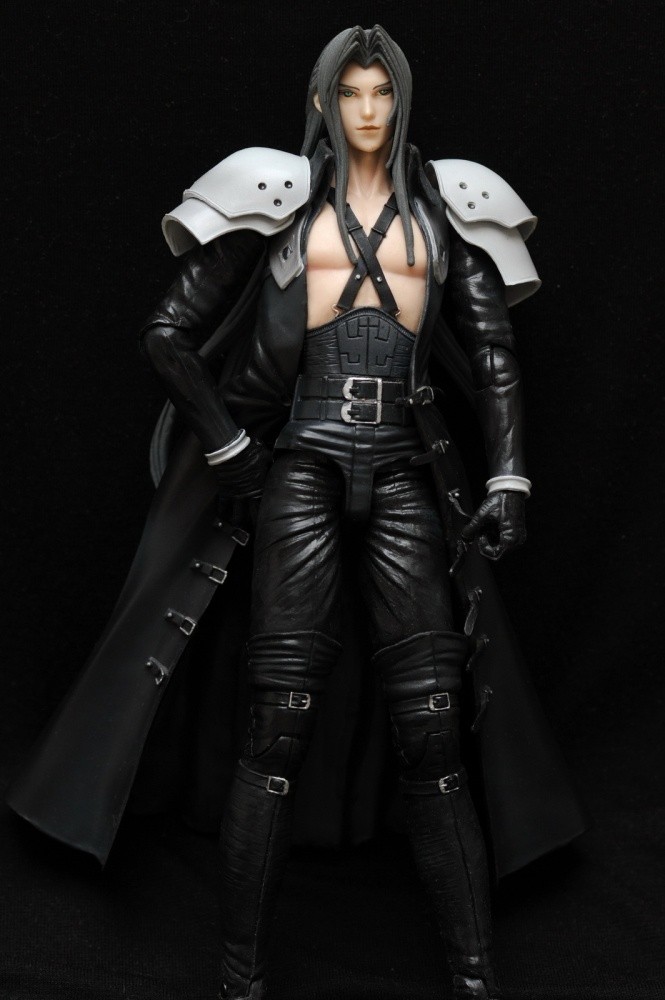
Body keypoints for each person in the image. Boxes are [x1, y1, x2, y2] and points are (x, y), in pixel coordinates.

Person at [7, 24, 587, 1000]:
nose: (368, 111)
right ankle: (241, 977)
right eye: (350, 93)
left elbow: (492, 352)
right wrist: (227, 443)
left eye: (381, 93)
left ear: (401, 100)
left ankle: (473, 973)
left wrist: (508, 477)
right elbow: (168, 334)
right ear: (323, 100)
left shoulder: (448, 206)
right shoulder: (274, 196)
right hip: (303, 462)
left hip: (402, 468)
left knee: (434, 725)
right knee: (275, 723)